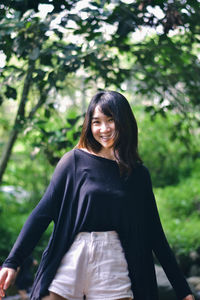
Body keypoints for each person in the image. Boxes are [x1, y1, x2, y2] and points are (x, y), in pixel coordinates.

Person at [0, 91, 195, 300]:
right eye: (97, 122)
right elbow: (41, 215)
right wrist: (13, 262)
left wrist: (184, 291)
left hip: (113, 262)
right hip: (73, 255)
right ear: (89, 125)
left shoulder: (137, 174)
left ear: (124, 122)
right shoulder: (73, 162)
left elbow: (155, 233)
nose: (104, 129)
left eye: (111, 120)